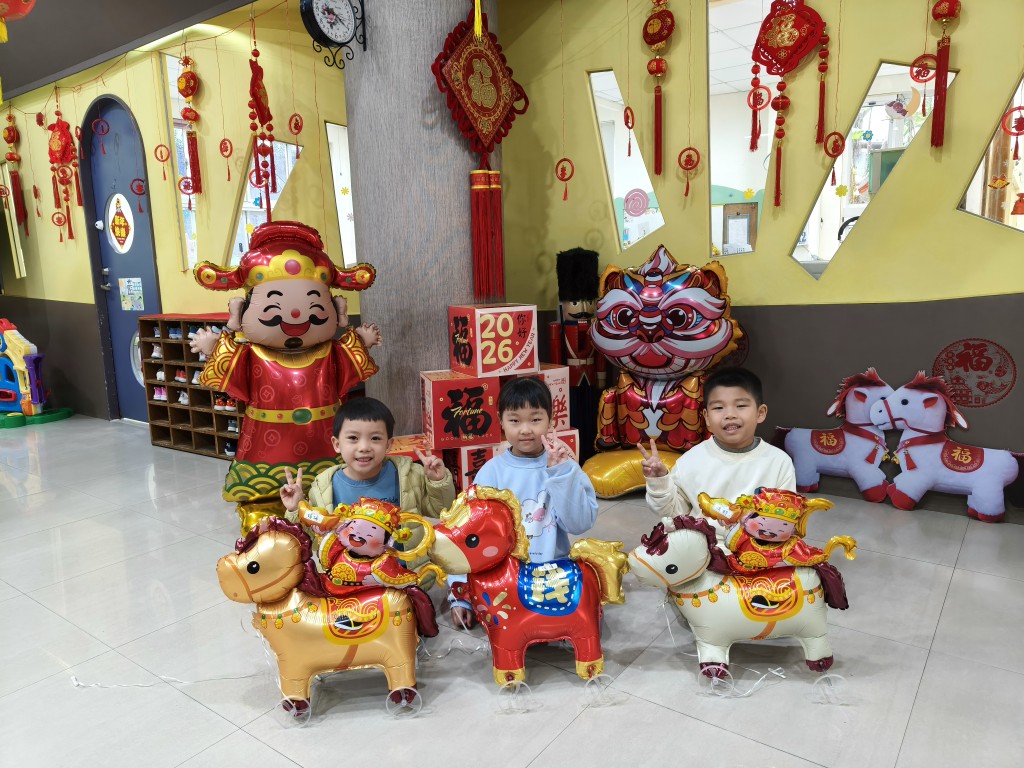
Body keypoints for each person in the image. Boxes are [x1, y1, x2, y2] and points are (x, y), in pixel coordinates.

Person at [449, 376, 599, 627]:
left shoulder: (566, 466)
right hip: (503, 578)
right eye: (515, 420)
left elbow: (579, 523)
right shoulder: (491, 473)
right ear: (501, 421)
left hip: (552, 575)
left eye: (535, 419)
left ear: (551, 420)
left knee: (583, 611)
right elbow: (469, 535)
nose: (526, 429)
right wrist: (460, 593)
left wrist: (561, 475)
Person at [278, 397, 457, 573]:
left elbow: (441, 511)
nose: (364, 447)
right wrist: (295, 510)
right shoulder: (323, 487)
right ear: (337, 444)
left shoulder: (409, 475)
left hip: (405, 577)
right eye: (353, 438)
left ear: (389, 445)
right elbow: (310, 539)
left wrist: (437, 481)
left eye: (375, 438)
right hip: (347, 579)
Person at [639, 367, 796, 537]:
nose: (730, 414)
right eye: (719, 407)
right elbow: (672, 512)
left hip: (756, 546)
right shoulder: (691, 460)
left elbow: (786, 518)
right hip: (700, 544)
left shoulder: (779, 462)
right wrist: (659, 482)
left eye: (741, 406)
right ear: (707, 417)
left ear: (760, 413)